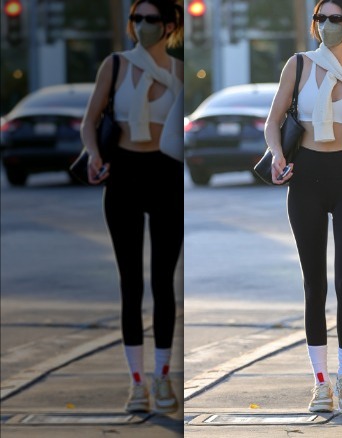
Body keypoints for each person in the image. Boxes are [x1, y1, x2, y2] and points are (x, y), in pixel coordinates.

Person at [264, 0, 342, 415]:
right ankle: (319, 383)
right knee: (315, 285)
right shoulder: (298, 65)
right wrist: (277, 154)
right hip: (306, 178)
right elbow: (273, 121)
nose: (325, 25)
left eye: (333, 19)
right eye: (320, 18)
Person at [80, 0, 184, 414]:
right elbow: (90, 120)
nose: (143, 25)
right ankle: (136, 384)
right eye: (137, 18)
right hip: (122, 174)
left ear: (169, 24)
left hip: (166, 175)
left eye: (152, 19)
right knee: (130, 284)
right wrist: (92, 154)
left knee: (163, 283)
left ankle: (162, 379)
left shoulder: (178, 72)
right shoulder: (116, 64)